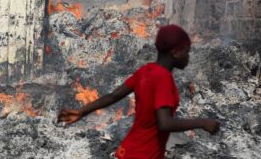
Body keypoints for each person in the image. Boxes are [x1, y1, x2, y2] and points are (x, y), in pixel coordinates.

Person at [58, 24, 220, 159]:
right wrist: (202, 122)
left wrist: (81, 112)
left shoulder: (145, 71)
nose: (189, 56)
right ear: (176, 52)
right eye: (187, 51)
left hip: (127, 150)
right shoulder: (163, 78)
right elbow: (165, 123)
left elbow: (113, 96)